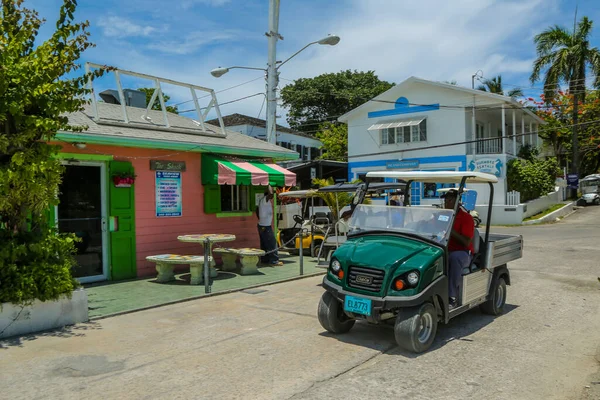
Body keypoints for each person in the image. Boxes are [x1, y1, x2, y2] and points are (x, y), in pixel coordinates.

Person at [441, 189, 475, 309]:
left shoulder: (466, 218)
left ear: (457, 202)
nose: (446, 202)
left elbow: (466, 242)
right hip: (443, 249)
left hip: (463, 253)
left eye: (449, 200)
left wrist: (450, 231)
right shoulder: (443, 215)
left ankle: (452, 297)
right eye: (445, 199)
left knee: (453, 258)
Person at [256, 187, 283, 266]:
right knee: (272, 243)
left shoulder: (263, 201)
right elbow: (270, 194)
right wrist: (268, 184)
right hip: (265, 226)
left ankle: (265, 259)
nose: (273, 196)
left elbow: (256, 210)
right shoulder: (265, 200)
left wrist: (260, 219)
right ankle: (274, 260)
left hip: (262, 225)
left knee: (264, 244)